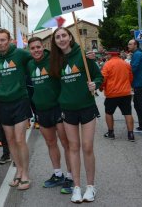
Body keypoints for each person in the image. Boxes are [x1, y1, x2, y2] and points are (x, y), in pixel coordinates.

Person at [49, 27, 103, 203]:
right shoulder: (56, 60)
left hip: (87, 107)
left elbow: (99, 77)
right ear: (55, 41)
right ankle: (77, 188)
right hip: (67, 109)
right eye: (58, 37)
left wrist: (95, 84)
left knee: (87, 146)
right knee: (73, 147)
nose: (61, 39)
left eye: (64, 35)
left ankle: (91, 187)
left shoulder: (84, 56)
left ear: (70, 37)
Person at [27, 37, 73, 194]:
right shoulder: (30, 65)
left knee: (66, 144)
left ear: (43, 47)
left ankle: (70, 177)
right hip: (41, 110)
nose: (36, 50)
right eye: (32, 48)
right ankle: (58, 174)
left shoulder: (54, 59)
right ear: (29, 50)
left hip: (58, 107)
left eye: (38, 47)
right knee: (50, 143)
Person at [0, 29, 33, 190]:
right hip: (3, 104)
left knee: (20, 139)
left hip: (20, 101)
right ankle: (19, 171)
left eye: (3, 40)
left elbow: (38, 57)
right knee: (10, 141)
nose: (0, 43)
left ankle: (26, 175)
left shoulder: (20, 54)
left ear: (10, 40)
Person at [100, 49, 135, 141]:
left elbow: (103, 79)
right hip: (125, 93)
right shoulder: (126, 64)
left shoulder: (107, 64)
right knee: (128, 113)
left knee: (109, 113)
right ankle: (131, 135)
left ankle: (111, 133)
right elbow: (131, 78)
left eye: (107, 55)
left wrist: (100, 87)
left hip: (112, 94)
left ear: (110, 55)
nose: (106, 56)